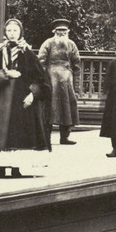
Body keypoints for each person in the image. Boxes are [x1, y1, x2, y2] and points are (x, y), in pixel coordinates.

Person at [0, 18, 52, 177]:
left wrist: (33, 94)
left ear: (20, 32)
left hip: (21, 98)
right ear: (5, 33)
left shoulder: (26, 52)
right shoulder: (0, 51)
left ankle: (16, 168)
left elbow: (40, 77)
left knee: (18, 131)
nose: (12, 34)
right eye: (9, 31)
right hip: (1, 96)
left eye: (15, 30)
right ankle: (0, 167)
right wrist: (4, 74)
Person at [37, 18, 83, 146]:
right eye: (59, 31)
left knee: (67, 108)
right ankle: (47, 138)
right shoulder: (48, 43)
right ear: (54, 31)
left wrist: (77, 85)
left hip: (67, 80)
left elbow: (77, 65)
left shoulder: (72, 45)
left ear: (68, 31)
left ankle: (65, 137)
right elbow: (41, 62)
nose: (61, 33)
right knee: (49, 108)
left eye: (64, 31)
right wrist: (44, 79)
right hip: (51, 80)